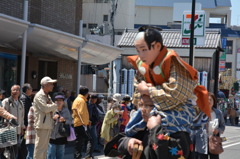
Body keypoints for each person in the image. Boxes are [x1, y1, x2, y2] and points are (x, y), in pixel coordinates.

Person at [125, 26, 210, 137]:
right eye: (138, 50)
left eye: (144, 49)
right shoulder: (141, 64)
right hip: (153, 109)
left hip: (181, 108)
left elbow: (176, 94)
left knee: (163, 124)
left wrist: (148, 90)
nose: (140, 55)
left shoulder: (172, 61)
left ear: (157, 46)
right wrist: (148, 94)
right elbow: (137, 94)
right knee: (132, 127)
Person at [115, 95, 193, 159]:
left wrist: (155, 129)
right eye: (141, 105)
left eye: (149, 105)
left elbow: (171, 155)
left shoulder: (178, 133)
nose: (143, 109)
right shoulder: (140, 126)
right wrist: (128, 142)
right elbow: (117, 143)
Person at [33, 76, 58, 159]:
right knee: (40, 149)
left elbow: (52, 109)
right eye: (51, 84)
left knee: (44, 149)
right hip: (42, 126)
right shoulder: (39, 95)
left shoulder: (47, 96)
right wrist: (54, 105)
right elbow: (45, 108)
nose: (53, 86)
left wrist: (51, 106)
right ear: (45, 85)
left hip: (47, 125)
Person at [197, 93, 225, 159]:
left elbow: (222, 126)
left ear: (213, 101)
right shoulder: (199, 113)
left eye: (210, 100)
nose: (209, 101)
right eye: (207, 100)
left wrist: (218, 130)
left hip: (214, 141)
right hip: (202, 141)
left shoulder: (218, 113)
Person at [2, 85, 25, 159]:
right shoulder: (6, 101)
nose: (15, 92)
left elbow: (22, 116)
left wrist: (22, 127)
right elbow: (3, 114)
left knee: (15, 150)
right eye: (13, 90)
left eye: (17, 90)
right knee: (7, 150)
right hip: (8, 130)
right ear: (11, 91)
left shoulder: (21, 103)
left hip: (17, 131)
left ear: (19, 92)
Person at [72, 86, 95, 159]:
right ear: (86, 93)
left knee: (79, 141)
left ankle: (77, 156)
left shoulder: (77, 99)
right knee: (90, 139)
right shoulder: (82, 101)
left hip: (77, 123)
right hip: (82, 124)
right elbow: (81, 113)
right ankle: (88, 156)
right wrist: (85, 123)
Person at [47, 95, 71, 159]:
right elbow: (46, 121)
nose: (58, 102)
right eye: (57, 100)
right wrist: (52, 119)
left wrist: (64, 120)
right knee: (50, 154)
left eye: (60, 100)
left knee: (60, 153)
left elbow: (69, 122)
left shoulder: (66, 111)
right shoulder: (51, 110)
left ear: (63, 102)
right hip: (52, 135)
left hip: (62, 135)